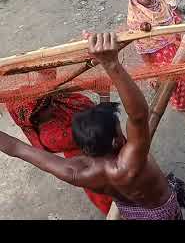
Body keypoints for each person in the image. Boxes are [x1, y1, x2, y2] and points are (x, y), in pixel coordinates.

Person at [0, 33, 185, 220]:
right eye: (118, 126)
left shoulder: (76, 172)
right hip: (161, 212)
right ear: (115, 141)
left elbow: (18, 149)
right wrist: (111, 64)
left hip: (130, 212)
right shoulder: (130, 161)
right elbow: (138, 116)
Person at [5, 69, 113, 215]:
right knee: (115, 198)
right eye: (47, 105)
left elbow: (49, 73)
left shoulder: (49, 101)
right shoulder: (52, 136)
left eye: (49, 98)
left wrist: (30, 63)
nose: (52, 102)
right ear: (34, 118)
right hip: (97, 155)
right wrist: (104, 95)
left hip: (103, 143)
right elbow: (102, 131)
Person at [126, 0, 185, 120]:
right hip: (158, 54)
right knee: (176, 78)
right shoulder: (135, 18)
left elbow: (173, 17)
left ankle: (183, 97)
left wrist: (179, 25)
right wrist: (150, 69)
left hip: (174, 44)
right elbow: (141, 46)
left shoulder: (161, 2)